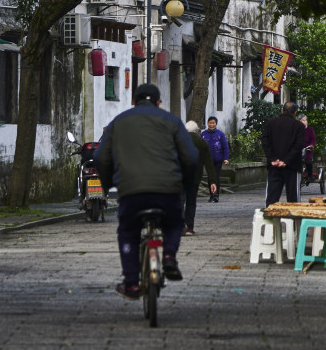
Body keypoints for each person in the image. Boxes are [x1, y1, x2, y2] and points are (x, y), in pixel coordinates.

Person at [95, 83, 198, 300]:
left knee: (128, 231)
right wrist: (183, 184)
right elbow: (191, 156)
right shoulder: (171, 121)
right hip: (167, 190)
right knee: (174, 223)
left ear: (134, 101)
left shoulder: (118, 122)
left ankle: (131, 283)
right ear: (159, 102)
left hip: (131, 192)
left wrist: (108, 185)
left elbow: (100, 157)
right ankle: (169, 255)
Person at [261, 102, 306, 206]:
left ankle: (270, 219)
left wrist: (272, 159)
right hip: (292, 166)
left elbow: (265, 142)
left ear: (282, 110)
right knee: (293, 198)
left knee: (271, 197)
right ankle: (294, 221)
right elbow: (298, 146)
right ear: (295, 113)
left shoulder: (270, 123)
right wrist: (286, 160)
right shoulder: (299, 126)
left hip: (274, 166)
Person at [183, 121, 218, 235]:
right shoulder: (202, 143)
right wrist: (212, 181)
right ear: (197, 131)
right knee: (191, 202)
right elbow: (209, 164)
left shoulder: (179, 141)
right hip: (195, 177)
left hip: (180, 177)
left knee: (179, 201)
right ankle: (189, 227)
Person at [200, 116, 229, 202]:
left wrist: (226, 158)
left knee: (215, 177)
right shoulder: (203, 134)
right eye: (210, 123)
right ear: (207, 123)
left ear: (216, 124)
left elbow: (225, 147)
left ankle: (216, 195)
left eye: (213, 123)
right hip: (207, 160)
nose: (211, 124)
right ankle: (211, 195)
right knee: (210, 177)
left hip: (218, 160)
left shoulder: (220, 134)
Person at [297, 114, 316, 182]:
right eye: (301, 121)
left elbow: (313, 139)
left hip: (307, 149)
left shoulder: (310, 129)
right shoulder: (297, 130)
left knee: (308, 161)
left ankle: (310, 175)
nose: (303, 122)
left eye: (304, 120)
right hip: (299, 149)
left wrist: (311, 145)